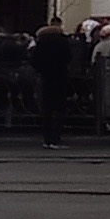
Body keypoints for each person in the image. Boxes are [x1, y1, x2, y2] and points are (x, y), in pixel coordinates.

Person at [29, 17, 74, 148]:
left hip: (45, 77)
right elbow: (68, 57)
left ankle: (47, 138)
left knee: (46, 109)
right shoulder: (62, 40)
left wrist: (42, 70)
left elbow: (34, 60)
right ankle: (56, 137)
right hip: (60, 77)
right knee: (60, 108)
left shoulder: (41, 41)